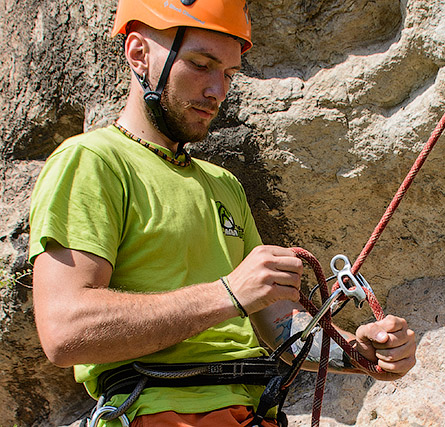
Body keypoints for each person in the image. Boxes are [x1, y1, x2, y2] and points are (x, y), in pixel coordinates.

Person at [28, 0, 417, 426]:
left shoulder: (223, 184)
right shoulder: (92, 161)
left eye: (229, 74)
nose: (217, 91)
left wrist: (361, 352)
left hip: (254, 414)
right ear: (139, 53)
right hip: (157, 412)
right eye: (200, 64)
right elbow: (65, 330)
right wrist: (228, 293)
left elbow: (280, 330)